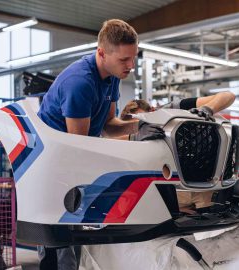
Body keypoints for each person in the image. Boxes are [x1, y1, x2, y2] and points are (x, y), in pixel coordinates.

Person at [36, 19, 163, 270]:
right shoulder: (80, 82)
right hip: (51, 168)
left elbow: (108, 126)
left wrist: (144, 124)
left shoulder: (113, 75)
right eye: (124, 60)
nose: (131, 66)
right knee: (61, 243)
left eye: (133, 58)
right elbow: (79, 145)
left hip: (71, 161)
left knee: (76, 237)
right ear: (102, 53)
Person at [120, 91, 235, 213]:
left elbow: (228, 95)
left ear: (153, 110)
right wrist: (136, 135)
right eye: (135, 126)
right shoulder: (137, 135)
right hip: (176, 190)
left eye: (142, 122)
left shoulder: (175, 108)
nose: (142, 127)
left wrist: (208, 108)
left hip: (208, 179)